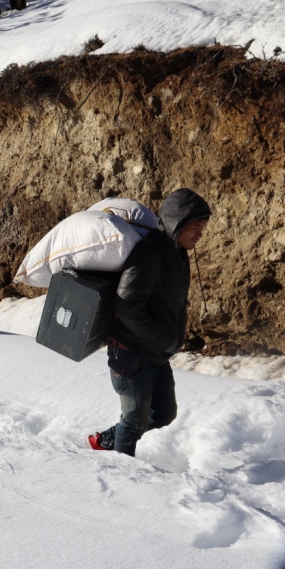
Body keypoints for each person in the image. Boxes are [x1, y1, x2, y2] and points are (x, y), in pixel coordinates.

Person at [87, 188, 212, 456]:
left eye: (203, 228)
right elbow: (127, 304)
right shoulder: (150, 253)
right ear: (178, 222)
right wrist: (160, 336)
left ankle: (104, 442)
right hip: (131, 352)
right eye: (196, 227)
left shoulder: (177, 252)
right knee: (133, 423)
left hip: (154, 352)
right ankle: (120, 477)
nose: (200, 233)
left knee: (164, 413)